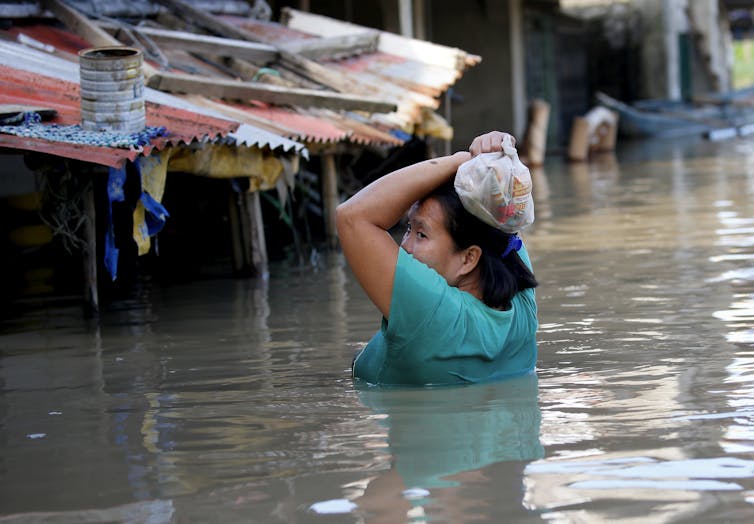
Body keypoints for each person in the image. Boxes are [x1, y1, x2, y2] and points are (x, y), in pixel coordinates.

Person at [336, 131, 538, 386]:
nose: (404, 247)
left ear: (469, 259)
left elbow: (352, 216)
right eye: (408, 229)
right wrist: (490, 160)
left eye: (421, 234)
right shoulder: (521, 300)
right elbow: (507, 217)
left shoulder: (436, 314)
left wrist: (460, 160)